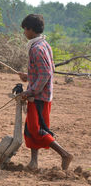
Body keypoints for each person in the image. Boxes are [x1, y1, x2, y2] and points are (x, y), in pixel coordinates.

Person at [18, 14, 73, 171]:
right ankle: (34, 162)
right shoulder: (44, 44)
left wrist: (30, 91)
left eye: (25, 30)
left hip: (39, 97)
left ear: (31, 30)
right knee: (30, 128)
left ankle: (64, 154)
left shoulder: (37, 49)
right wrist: (28, 77)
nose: (24, 33)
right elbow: (48, 70)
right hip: (41, 95)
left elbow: (45, 74)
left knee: (37, 129)